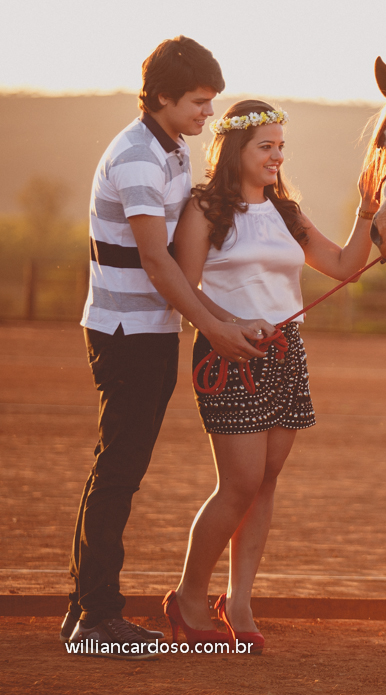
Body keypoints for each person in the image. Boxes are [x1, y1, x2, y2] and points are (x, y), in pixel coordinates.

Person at [68, 36, 269, 660]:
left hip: (152, 333)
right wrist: (213, 328)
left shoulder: (172, 150)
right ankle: (94, 617)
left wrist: (224, 316)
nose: (209, 114)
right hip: (125, 334)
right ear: (161, 97)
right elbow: (158, 262)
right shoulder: (135, 158)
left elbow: (183, 261)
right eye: (199, 102)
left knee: (122, 469)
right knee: (119, 471)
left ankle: (90, 609)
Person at [162, 99, 376, 654]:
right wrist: (233, 326)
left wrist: (368, 211)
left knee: (266, 480)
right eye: (266, 146)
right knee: (237, 486)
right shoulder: (204, 208)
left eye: (281, 146)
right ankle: (188, 598)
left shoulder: (287, 213)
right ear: (237, 149)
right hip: (228, 356)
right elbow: (187, 293)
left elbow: (346, 265)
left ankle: (238, 602)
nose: (278, 156)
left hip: (287, 354)